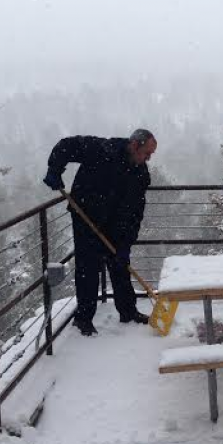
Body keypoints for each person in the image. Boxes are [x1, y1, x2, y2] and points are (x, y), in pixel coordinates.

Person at [42, 129, 157, 336]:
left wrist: (127, 242)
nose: (148, 158)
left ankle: (128, 311)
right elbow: (66, 146)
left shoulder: (140, 173)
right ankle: (84, 319)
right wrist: (55, 169)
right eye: (146, 153)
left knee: (120, 265)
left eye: (150, 154)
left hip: (116, 225)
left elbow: (136, 211)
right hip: (87, 217)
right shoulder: (102, 149)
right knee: (88, 268)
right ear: (134, 145)